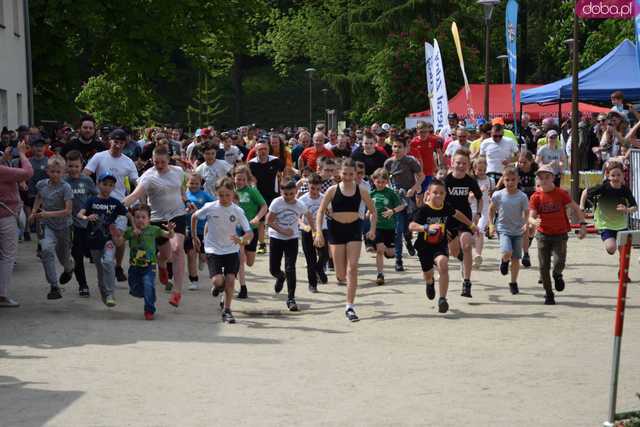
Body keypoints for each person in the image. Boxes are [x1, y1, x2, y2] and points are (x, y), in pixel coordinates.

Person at [123, 146, 194, 308]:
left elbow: (182, 190)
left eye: (162, 162)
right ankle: (162, 265)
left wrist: (187, 201)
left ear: (168, 160)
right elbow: (135, 195)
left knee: (177, 249)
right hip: (156, 219)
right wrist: (120, 205)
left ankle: (177, 292)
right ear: (152, 160)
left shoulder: (178, 171)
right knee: (166, 255)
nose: (159, 165)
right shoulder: (148, 176)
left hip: (177, 215)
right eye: (156, 162)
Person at [315, 158, 377, 322]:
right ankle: (344, 285)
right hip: (336, 230)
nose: (348, 177)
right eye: (345, 173)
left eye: (351, 174)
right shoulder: (332, 190)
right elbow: (320, 212)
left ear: (356, 174)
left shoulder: (362, 190)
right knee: (341, 274)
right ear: (339, 173)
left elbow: (373, 211)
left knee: (353, 267)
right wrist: (319, 233)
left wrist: (372, 229)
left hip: (354, 229)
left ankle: (349, 306)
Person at [409, 179, 476, 313]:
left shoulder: (446, 207)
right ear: (429, 193)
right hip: (424, 246)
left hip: (440, 244)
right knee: (428, 274)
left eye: (441, 193)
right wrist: (426, 228)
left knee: (443, 263)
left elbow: (458, 214)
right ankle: (430, 283)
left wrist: (471, 225)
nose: (438, 196)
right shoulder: (423, 209)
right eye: (435, 193)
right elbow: (411, 226)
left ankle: (442, 299)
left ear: (445, 195)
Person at [192, 177, 253, 324]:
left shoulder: (237, 210)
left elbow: (249, 232)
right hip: (213, 248)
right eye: (221, 195)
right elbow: (194, 216)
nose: (224, 198)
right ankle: (218, 286)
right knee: (218, 280)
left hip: (231, 249)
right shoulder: (210, 207)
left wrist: (242, 240)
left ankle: (227, 311)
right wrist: (194, 237)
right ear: (216, 194)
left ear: (233, 193)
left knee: (231, 280)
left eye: (227, 195)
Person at [84, 128, 139, 281]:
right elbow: (85, 174)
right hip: (99, 205)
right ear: (110, 141)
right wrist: (88, 195)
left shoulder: (128, 162)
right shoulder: (99, 157)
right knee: (100, 239)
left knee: (119, 238)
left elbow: (138, 182)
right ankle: (104, 265)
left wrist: (139, 200)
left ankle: (118, 266)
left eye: (121, 143)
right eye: (116, 142)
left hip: (119, 205)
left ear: (125, 144)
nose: (118, 145)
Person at [529, 165, 587, 305]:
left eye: (547, 177)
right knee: (543, 266)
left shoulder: (561, 193)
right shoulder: (536, 197)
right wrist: (533, 221)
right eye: (541, 177)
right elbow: (530, 216)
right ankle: (549, 293)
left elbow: (575, 208)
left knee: (559, 261)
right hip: (543, 235)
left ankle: (557, 274)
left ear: (553, 178)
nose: (544, 180)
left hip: (560, 234)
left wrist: (583, 225)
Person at [77, 172, 128, 306]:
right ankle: (104, 293)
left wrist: (135, 228)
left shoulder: (115, 203)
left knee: (108, 262)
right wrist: (86, 217)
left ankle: (110, 293)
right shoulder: (91, 201)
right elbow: (80, 213)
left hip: (109, 240)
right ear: (98, 184)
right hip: (94, 240)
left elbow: (127, 214)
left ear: (113, 187)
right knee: (100, 269)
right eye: (104, 184)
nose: (107, 187)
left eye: (110, 185)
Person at [119, 204, 174, 320]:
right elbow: (119, 243)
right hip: (134, 266)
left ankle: (149, 310)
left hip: (150, 265)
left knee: (148, 284)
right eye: (137, 217)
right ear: (133, 219)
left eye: (143, 217)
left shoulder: (154, 230)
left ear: (149, 219)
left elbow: (169, 235)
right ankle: (149, 294)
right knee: (135, 290)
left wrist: (170, 230)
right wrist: (116, 235)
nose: (140, 220)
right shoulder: (130, 231)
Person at [30, 155, 74, 300]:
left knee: (63, 258)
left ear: (63, 172)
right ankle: (54, 286)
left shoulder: (66, 188)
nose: (55, 174)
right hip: (47, 226)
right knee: (47, 250)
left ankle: (69, 268)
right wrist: (33, 212)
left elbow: (68, 211)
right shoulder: (42, 184)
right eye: (52, 171)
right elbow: (39, 197)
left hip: (64, 227)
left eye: (58, 172)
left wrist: (48, 214)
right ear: (47, 171)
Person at [266, 180, 313, 311]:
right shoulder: (277, 203)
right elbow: (268, 221)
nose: (289, 197)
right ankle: (280, 277)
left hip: (292, 239)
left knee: (290, 267)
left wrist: (315, 232)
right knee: (273, 269)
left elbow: (309, 216)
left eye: (292, 194)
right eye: (286, 194)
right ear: (281, 192)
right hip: (276, 237)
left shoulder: (300, 204)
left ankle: (291, 298)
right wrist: (282, 230)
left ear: (296, 192)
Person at [445, 150, 482, 298]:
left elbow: (480, 198)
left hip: (465, 218)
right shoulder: (446, 181)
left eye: (464, 163)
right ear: (452, 163)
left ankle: (466, 282)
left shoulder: (470, 181)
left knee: (466, 245)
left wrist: (478, 214)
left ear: (468, 165)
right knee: (454, 252)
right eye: (458, 163)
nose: (461, 166)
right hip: (449, 220)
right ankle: (462, 259)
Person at [0, 140, 33, 307]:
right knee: (7, 255)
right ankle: (2, 295)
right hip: (5, 216)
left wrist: (4, 159)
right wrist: (22, 153)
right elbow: (27, 172)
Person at [580, 161, 637, 257]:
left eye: (618, 175)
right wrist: (581, 205)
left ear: (623, 175)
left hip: (621, 225)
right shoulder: (603, 187)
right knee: (611, 248)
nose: (616, 178)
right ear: (608, 175)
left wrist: (627, 210)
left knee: (624, 253)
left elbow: (635, 207)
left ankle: (622, 271)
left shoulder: (625, 190)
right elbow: (585, 191)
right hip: (605, 225)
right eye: (613, 175)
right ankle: (611, 242)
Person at [488, 166, 529, 295]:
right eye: (507, 180)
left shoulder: (522, 196)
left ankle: (513, 282)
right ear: (503, 181)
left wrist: (526, 223)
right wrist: (491, 224)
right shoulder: (498, 195)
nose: (510, 183)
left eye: (513, 180)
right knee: (507, 252)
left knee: (516, 259)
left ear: (518, 180)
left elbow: (526, 212)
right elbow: (491, 210)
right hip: (503, 229)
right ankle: (504, 261)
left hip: (518, 231)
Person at [383, 138, 423, 271]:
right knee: (398, 230)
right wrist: (388, 190)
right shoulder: (388, 163)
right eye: (395, 146)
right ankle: (398, 260)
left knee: (407, 227)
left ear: (406, 148)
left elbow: (421, 176)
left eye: (400, 147)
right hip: (396, 199)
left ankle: (409, 241)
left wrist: (414, 188)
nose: (397, 149)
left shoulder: (410, 161)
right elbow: (384, 178)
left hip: (409, 198)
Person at [64, 150, 98, 297]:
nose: (73, 169)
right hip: (69, 225)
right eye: (70, 166)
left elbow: (95, 197)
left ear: (81, 165)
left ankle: (69, 268)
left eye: (76, 166)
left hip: (85, 224)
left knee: (87, 253)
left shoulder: (87, 181)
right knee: (77, 255)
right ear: (66, 165)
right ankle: (83, 285)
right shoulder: (63, 181)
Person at [234, 165, 268, 298]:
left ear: (247, 179)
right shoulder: (231, 192)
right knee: (240, 259)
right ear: (234, 178)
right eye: (238, 179)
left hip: (251, 230)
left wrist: (257, 218)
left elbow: (264, 206)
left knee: (250, 262)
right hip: (237, 230)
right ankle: (243, 287)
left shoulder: (252, 191)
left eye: (243, 179)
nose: (240, 182)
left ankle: (239, 274)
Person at [370, 168, 405, 286]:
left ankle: (387, 250)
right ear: (373, 181)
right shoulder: (371, 194)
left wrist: (392, 211)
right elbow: (368, 208)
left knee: (390, 254)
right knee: (380, 249)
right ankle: (380, 274)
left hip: (390, 227)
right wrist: (367, 214)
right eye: (378, 182)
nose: (380, 184)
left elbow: (402, 206)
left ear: (386, 182)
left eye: (383, 182)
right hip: (378, 226)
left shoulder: (390, 193)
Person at [248, 141, 285, 254]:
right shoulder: (251, 164)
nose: (262, 151)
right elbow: (251, 179)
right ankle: (262, 244)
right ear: (256, 151)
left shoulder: (276, 161)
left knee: (276, 219)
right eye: (260, 149)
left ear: (268, 150)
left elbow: (283, 174)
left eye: (265, 149)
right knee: (261, 221)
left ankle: (280, 242)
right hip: (259, 195)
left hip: (274, 194)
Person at [298, 173, 329, 293]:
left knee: (324, 255)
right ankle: (312, 284)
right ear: (308, 186)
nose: (315, 191)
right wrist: (303, 225)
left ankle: (319, 269)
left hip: (322, 229)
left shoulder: (324, 198)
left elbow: (329, 211)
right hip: (307, 231)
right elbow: (298, 217)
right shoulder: (302, 199)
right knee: (310, 258)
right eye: (312, 188)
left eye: (317, 188)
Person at [184, 173, 215, 291]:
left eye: (196, 183)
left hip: (204, 230)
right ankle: (193, 280)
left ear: (201, 184)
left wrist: (200, 211)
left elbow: (215, 205)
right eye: (191, 183)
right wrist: (186, 210)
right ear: (187, 183)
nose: (193, 185)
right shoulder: (185, 196)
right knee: (191, 255)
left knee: (203, 256)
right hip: (190, 230)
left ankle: (202, 259)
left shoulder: (205, 195)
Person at [469, 156, 494, 268]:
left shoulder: (490, 180)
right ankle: (474, 253)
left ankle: (478, 255)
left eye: (484, 170)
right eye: (479, 170)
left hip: (484, 211)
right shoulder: (471, 181)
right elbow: (468, 197)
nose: (481, 172)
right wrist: (477, 192)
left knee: (479, 231)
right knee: (472, 235)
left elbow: (492, 196)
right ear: (474, 169)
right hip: (471, 210)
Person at [516, 151, 538, 267]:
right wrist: (497, 188)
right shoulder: (516, 171)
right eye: (520, 162)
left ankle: (527, 243)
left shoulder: (536, 170)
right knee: (524, 227)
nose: (522, 164)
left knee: (531, 227)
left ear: (531, 161)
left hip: (533, 200)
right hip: (520, 200)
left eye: (524, 162)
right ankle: (525, 252)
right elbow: (505, 178)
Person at [410, 121, 442, 192]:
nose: (423, 134)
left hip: (430, 171)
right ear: (417, 131)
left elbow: (439, 153)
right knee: (419, 193)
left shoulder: (433, 140)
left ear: (428, 131)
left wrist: (440, 166)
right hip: (417, 172)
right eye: (421, 132)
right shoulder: (413, 142)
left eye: (425, 131)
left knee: (428, 192)